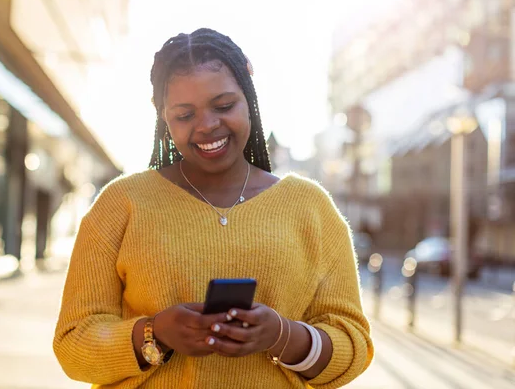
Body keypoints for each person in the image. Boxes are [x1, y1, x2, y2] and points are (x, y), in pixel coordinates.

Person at [53, 28, 374, 389]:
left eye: (223, 106)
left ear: (249, 100)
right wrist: (154, 335)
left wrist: (281, 335)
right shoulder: (121, 204)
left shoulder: (310, 207)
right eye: (184, 115)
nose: (207, 126)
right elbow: (72, 343)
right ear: (164, 118)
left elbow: (354, 347)